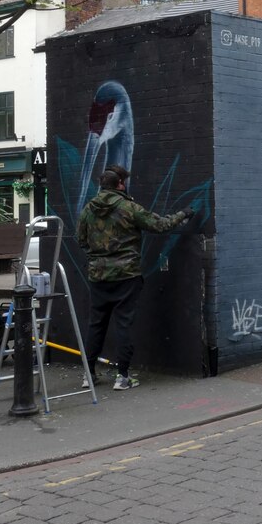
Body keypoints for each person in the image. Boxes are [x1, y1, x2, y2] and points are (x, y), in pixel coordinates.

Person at [76, 164, 193, 390]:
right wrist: (183, 214)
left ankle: (88, 374)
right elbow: (160, 225)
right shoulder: (129, 208)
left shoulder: (88, 209)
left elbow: (81, 239)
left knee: (96, 325)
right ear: (119, 184)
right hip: (126, 275)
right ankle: (122, 377)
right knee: (124, 324)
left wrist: (97, 257)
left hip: (98, 276)